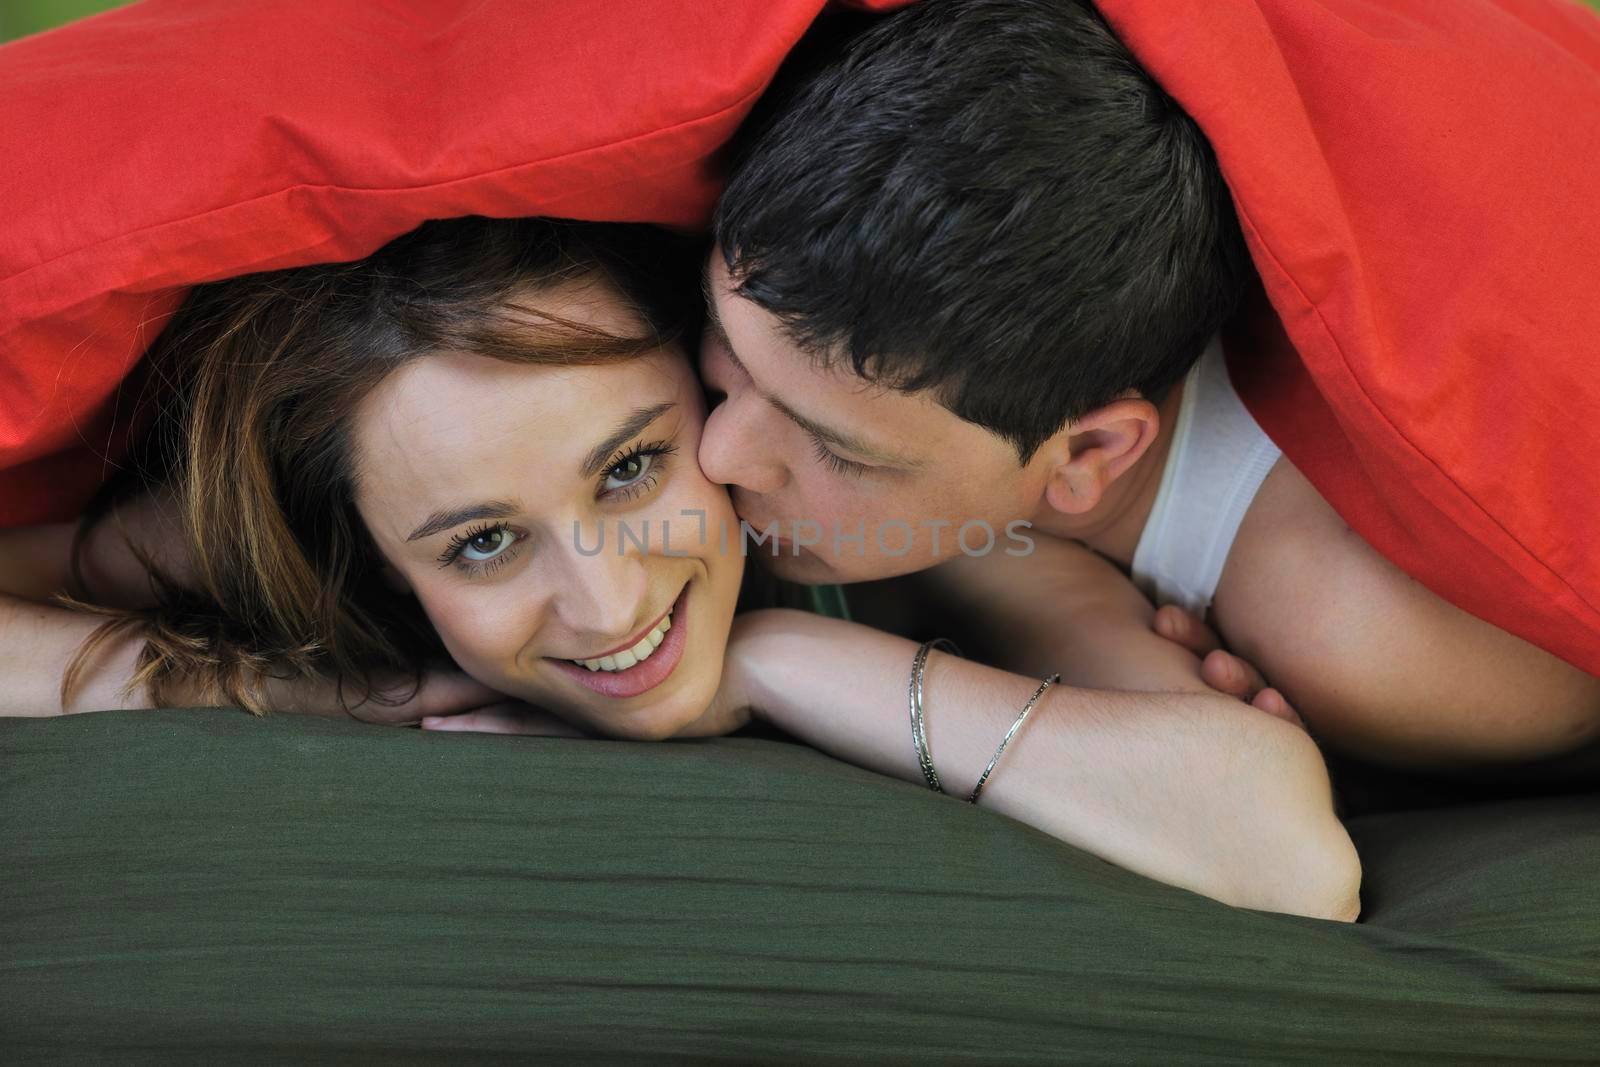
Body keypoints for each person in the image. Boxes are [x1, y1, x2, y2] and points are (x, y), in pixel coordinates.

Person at [0, 214, 1357, 920]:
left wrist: (781, 657)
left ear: (716, 393)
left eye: (634, 467)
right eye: (481, 541)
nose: (610, 599)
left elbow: (1286, 852)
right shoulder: (304, 530)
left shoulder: (900, 541)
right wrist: (312, 693)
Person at [696, 0, 1600, 778]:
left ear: (1089, 454)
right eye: (726, 349)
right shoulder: (979, 417)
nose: (718, 450)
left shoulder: (1358, 629)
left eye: (836, 449)